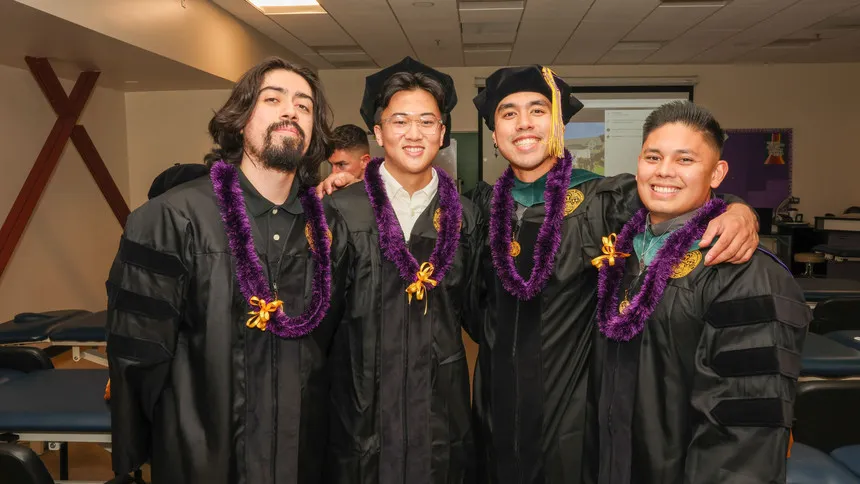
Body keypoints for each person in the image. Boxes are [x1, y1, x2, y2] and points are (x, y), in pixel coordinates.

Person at [469, 66, 761, 483]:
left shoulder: (604, 200)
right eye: (508, 113)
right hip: (493, 400)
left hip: (574, 407)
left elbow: (676, 196)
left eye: (538, 109)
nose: (525, 123)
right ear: (494, 135)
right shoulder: (477, 209)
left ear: (558, 127)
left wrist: (737, 208)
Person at [104, 57, 350, 484]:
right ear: (239, 121)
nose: (290, 111)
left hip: (300, 452)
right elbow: (138, 353)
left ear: (313, 137)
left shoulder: (328, 228)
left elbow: (329, 345)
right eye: (272, 99)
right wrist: (146, 443)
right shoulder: (172, 219)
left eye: (304, 106)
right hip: (203, 451)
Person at [585, 100, 809, 483]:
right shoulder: (624, 251)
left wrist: (739, 211)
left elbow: (746, 438)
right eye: (653, 157)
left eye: (685, 160)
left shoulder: (743, 271)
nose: (664, 172)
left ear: (717, 172)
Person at [324, 56, 483, 484]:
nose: (414, 133)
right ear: (378, 133)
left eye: (427, 122)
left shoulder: (465, 218)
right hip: (360, 403)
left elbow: (481, 312)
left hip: (438, 403)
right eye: (400, 121)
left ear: (442, 133)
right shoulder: (339, 210)